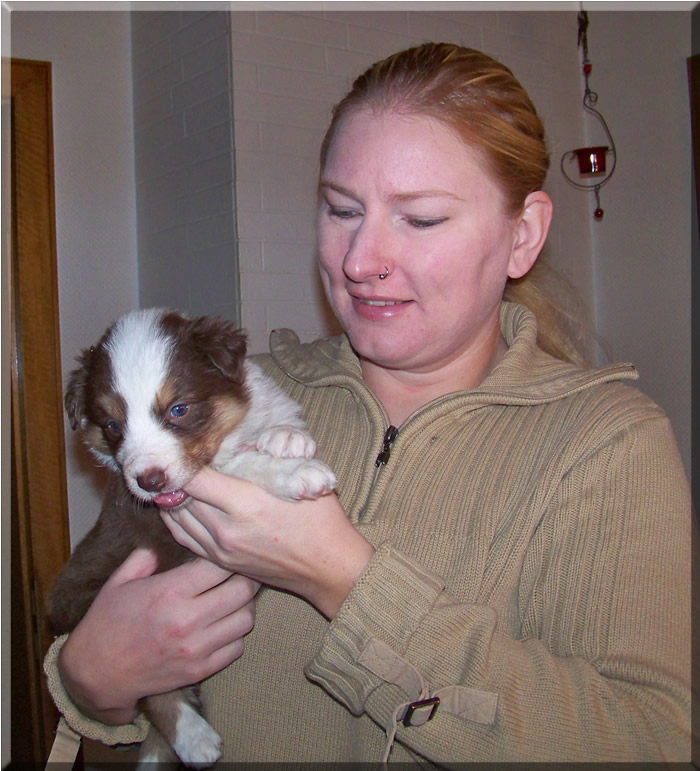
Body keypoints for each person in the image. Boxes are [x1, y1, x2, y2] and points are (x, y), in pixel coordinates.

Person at [44, 42, 691, 763]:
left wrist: (344, 579)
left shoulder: (608, 443)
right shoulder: (229, 403)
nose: (358, 260)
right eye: (341, 208)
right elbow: (114, 628)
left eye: (421, 219)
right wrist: (92, 683)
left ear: (523, 234)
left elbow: (652, 742)